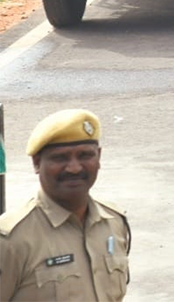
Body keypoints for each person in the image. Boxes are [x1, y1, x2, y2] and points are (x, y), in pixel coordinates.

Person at [0, 109, 131, 301]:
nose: (74, 167)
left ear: (99, 157)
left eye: (85, 155)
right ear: (37, 163)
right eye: (60, 158)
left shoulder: (114, 223)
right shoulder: (11, 240)